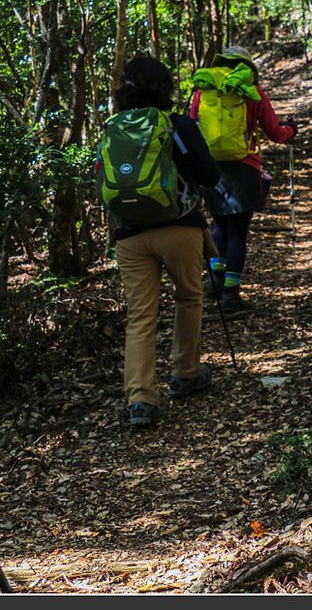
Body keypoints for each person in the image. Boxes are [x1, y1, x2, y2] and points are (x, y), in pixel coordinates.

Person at [111, 57, 221, 427]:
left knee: (141, 315)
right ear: (165, 88)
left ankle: (141, 400)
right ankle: (186, 374)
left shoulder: (113, 128)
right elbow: (209, 172)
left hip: (129, 235)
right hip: (179, 227)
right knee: (189, 296)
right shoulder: (176, 125)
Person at [190, 45, 297, 313]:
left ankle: (216, 280)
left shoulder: (203, 92)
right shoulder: (253, 92)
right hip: (245, 167)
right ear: (246, 67)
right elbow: (274, 132)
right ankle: (231, 296)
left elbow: (192, 126)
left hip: (211, 168)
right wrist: (291, 131)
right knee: (238, 231)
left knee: (220, 225)